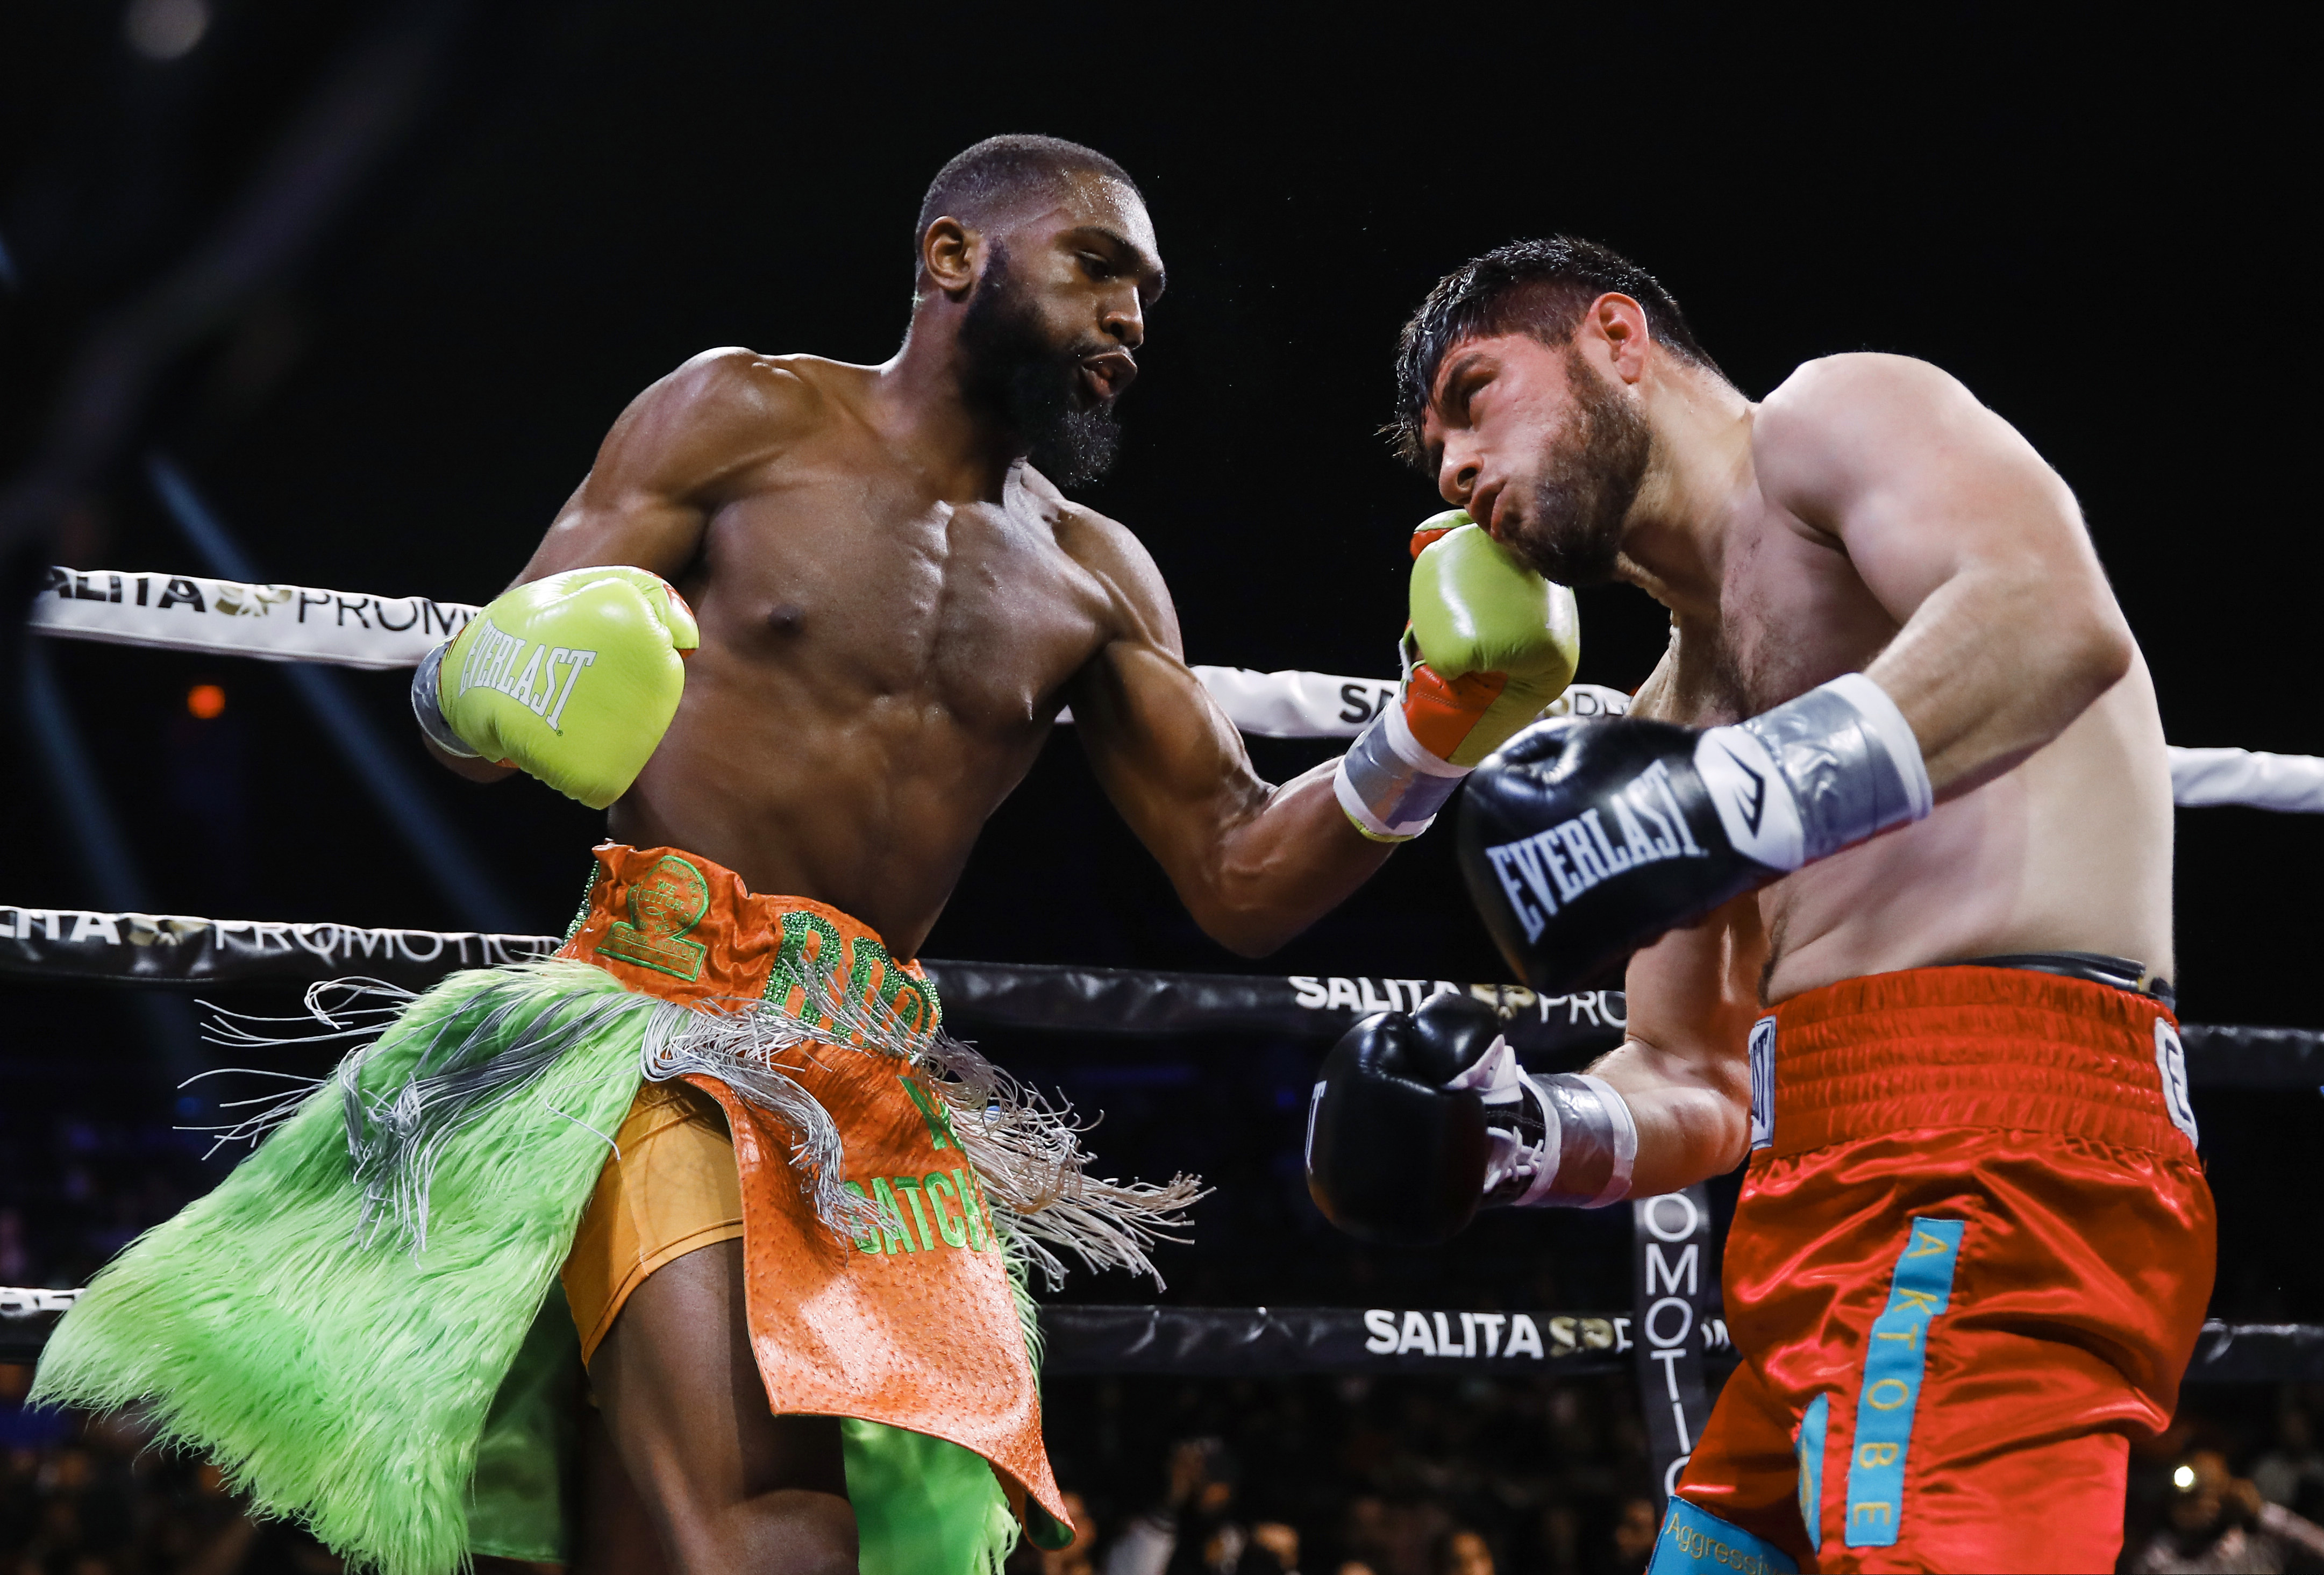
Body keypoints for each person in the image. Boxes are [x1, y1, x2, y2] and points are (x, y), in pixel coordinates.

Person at [34, 139, 1579, 1575]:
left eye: (1150, 293)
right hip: (655, 1034)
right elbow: (477, 703)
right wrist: (494, 687)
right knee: (756, 1526)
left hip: (868, 1089)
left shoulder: (1099, 577)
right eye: (1099, 265)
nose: (1131, 313)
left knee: (708, 1539)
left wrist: (1431, 732)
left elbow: (1240, 875)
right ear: (956, 252)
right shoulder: (740, 415)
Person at [1307, 236, 2213, 1572]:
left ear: (1614, 339)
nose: (1449, 469)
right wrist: (1519, 1132)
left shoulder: (1833, 419)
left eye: (1473, 393)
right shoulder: (1666, 712)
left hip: (1989, 1159)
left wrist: (1725, 801)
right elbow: (1692, 1077)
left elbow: (2046, 619)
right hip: (1814, 1204)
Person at [2127, 1451, 2324, 1574]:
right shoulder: (2164, 1558)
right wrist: (2175, 1527)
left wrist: (2264, 1515)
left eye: (2214, 1491)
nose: (2206, 1504)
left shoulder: (2260, 1546)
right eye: (2197, 1495)